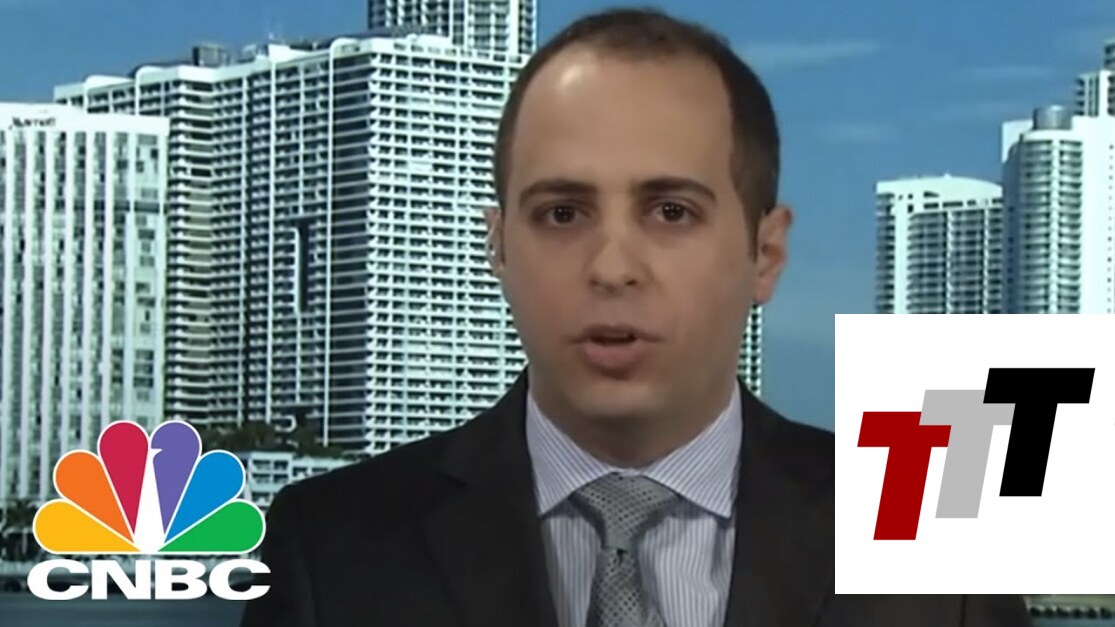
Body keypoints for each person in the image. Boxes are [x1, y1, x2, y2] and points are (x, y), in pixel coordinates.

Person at [240, 7, 1033, 627]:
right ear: (499, 248)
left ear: (764, 253)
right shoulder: (329, 549)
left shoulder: (936, 554)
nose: (611, 266)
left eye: (669, 211)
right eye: (561, 213)